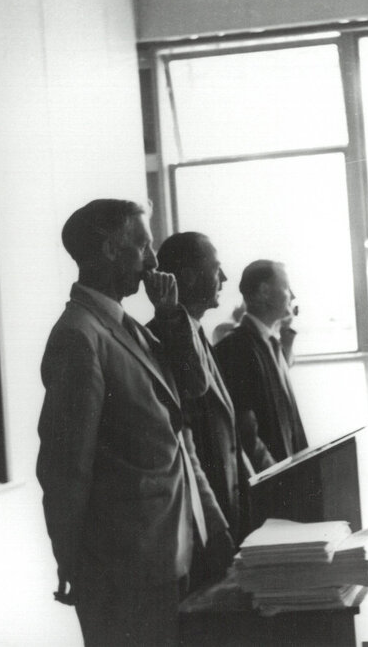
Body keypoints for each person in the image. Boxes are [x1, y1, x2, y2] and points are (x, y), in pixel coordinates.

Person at [36, 200, 231, 647]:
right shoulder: (78, 336)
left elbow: (193, 392)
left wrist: (170, 314)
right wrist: (70, 562)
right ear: (109, 249)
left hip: (169, 553)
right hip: (123, 572)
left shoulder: (130, 328)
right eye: (143, 245)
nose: (153, 261)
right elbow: (65, 467)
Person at [148, 232, 275, 543]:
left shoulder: (197, 333)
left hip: (228, 510)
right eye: (216, 268)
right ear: (189, 277)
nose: (224, 277)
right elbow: (184, 443)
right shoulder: (164, 340)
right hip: (202, 527)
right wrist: (215, 524)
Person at [214, 259, 308, 462]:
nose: (292, 296)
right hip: (271, 479)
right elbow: (245, 431)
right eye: (286, 287)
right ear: (264, 292)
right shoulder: (236, 348)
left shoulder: (269, 342)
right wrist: (276, 474)